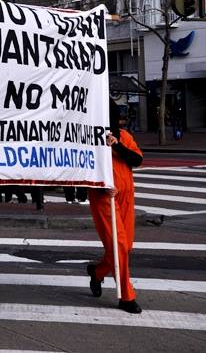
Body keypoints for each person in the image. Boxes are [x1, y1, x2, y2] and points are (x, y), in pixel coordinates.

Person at [86, 99, 143, 314]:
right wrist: (102, 188)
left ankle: (98, 272)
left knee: (125, 247)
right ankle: (127, 296)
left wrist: (116, 145)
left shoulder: (124, 136)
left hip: (126, 197)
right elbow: (85, 168)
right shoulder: (89, 138)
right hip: (104, 198)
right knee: (118, 246)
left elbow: (137, 160)